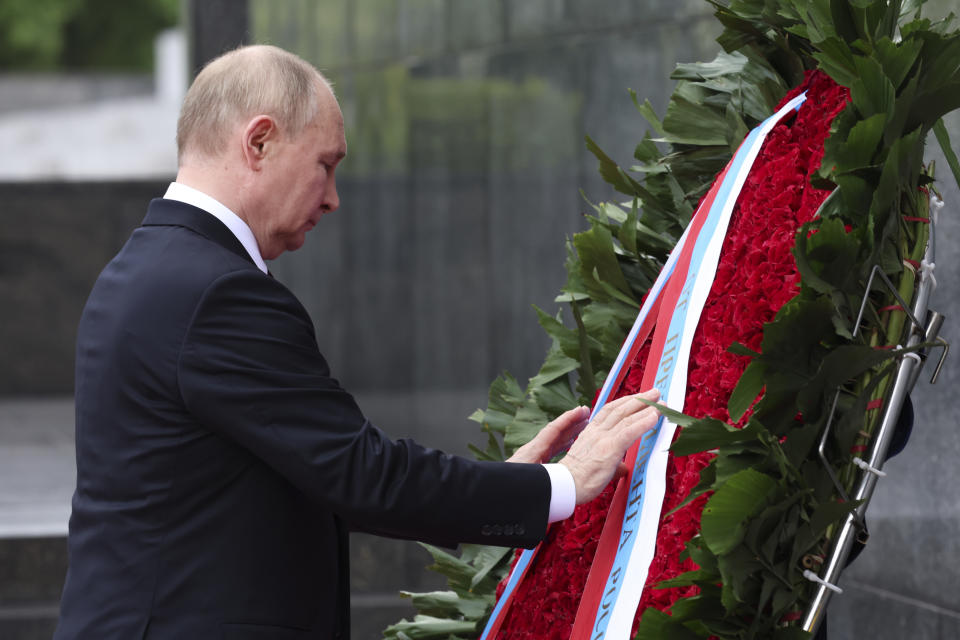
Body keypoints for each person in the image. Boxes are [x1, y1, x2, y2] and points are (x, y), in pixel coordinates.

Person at [54, 45, 662, 640]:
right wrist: (563, 484)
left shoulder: (145, 268)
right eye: (326, 164)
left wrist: (503, 483)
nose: (333, 198)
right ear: (258, 141)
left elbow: (297, 471)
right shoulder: (214, 291)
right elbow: (360, 475)